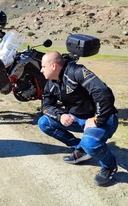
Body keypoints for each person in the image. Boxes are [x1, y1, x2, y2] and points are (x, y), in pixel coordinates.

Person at [38, 51, 118, 186]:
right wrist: (60, 115)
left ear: (53, 66)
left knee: (90, 143)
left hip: (104, 117)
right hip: (78, 118)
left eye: (43, 66)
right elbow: (45, 106)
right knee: (44, 123)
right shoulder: (51, 84)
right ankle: (81, 149)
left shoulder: (76, 72)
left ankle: (109, 166)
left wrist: (97, 119)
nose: (41, 70)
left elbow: (103, 92)